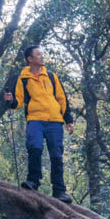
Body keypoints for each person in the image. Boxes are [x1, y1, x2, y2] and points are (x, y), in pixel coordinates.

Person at [4, 45, 74, 203]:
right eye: (38, 54)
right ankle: (33, 181)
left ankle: (59, 190)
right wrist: (10, 101)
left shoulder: (50, 76)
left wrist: (68, 120)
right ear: (30, 59)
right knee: (34, 147)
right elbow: (19, 102)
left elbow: (62, 98)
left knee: (56, 155)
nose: (42, 57)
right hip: (35, 119)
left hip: (55, 121)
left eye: (42, 54)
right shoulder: (22, 78)